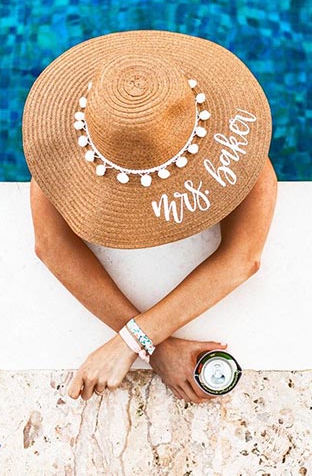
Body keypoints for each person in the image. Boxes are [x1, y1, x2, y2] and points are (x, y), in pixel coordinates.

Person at [22, 29, 277, 404]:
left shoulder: (235, 142)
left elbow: (243, 258)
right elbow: (52, 246)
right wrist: (151, 346)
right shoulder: (79, 138)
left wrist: (132, 341)